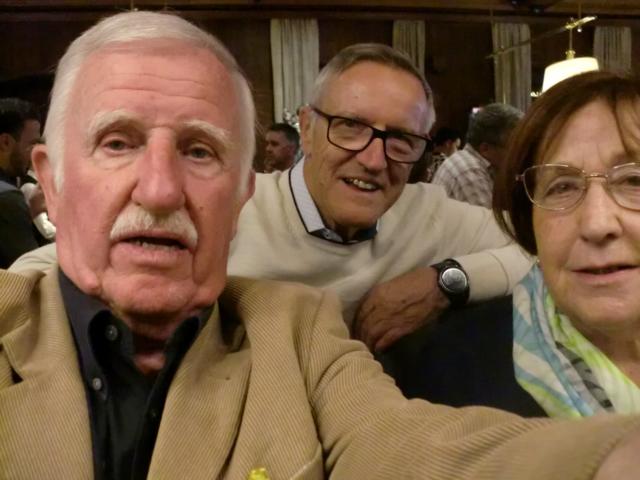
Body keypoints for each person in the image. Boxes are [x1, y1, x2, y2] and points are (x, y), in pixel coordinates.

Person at [4, 11, 640, 480]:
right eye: (118, 143)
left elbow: (406, 443)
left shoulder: (299, 325)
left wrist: (443, 280)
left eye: (199, 151)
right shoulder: (23, 309)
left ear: (237, 192)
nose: (162, 188)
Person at [15, 42, 533, 353]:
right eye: (350, 127)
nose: (375, 160)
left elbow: (544, 252)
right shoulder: (232, 208)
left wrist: (445, 281)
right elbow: (34, 274)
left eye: (401, 139)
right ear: (306, 128)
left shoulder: (427, 213)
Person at [400, 71, 640, 419]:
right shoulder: (457, 371)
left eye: (633, 180)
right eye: (562, 187)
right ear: (530, 220)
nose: (597, 223)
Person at [433, 103, 523, 208]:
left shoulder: (473, 162)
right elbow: (492, 218)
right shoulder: (469, 171)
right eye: (513, 148)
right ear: (485, 149)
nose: (518, 154)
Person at [0, 97, 42, 267]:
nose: (34, 155)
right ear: (5, 142)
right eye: (32, 145)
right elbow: (32, 270)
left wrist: (29, 210)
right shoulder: (7, 197)